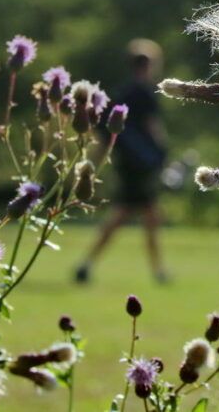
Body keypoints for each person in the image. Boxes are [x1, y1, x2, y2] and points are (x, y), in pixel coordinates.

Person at [75, 39, 169, 284]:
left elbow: (107, 133)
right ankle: (88, 263)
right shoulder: (146, 93)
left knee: (142, 215)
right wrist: (162, 154)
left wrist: (97, 161)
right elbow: (153, 128)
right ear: (150, 65)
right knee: (129, 215)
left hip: (126, 163)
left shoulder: (122, 93)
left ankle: (89, 263)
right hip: (143, 165)